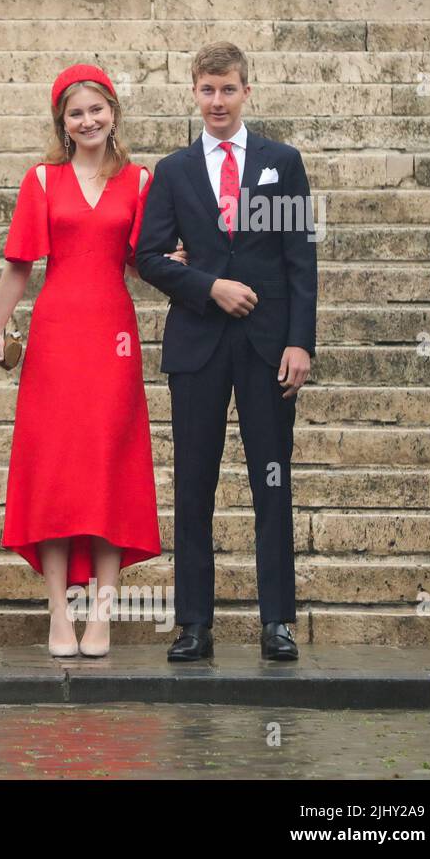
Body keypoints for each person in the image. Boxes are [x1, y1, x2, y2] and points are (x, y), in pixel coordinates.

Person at [136, 42, 317, 662]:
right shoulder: (173, 170)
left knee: (272, 479)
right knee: (194, 484)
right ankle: (194, 624)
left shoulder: (282, 162)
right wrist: (208, 286)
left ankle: (277, 623)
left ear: (246, 92)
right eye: (207, 90)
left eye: (228, 89)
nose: (217, 101)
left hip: (269, 347)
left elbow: (300, 259)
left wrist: (300, 340)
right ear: (194, 92)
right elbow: (149, 256)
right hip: (199, 344)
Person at [0, 65, 171, 658]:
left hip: (113, 336)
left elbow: (145, 262)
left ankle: (102, 614)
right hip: (56, 336)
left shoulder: (141, 180)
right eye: (76, 113)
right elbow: (19, 262)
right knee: (56, 469)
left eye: (97, 109)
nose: (88, 120)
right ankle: (58, 615)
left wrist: (184, 263)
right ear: (61, 123)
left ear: (113, 112)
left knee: (109, 466)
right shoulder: (42, 179)